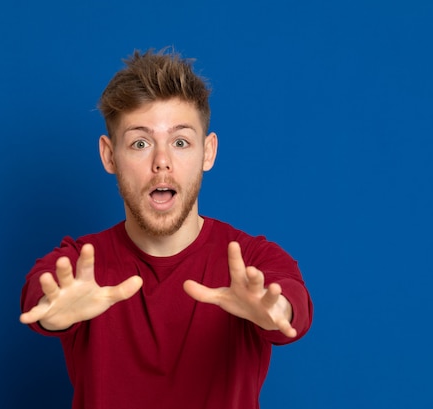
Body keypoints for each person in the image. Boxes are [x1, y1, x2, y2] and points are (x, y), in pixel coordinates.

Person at [19, 49, 313, 409]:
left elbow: (291, 305)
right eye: (140, 143)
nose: (162, 163)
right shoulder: (82, 264)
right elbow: (41, 292)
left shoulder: (252, 262)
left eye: (180, 142)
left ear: (208, 152)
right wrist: (52, 313)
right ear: (110, 156)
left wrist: (275, 312)